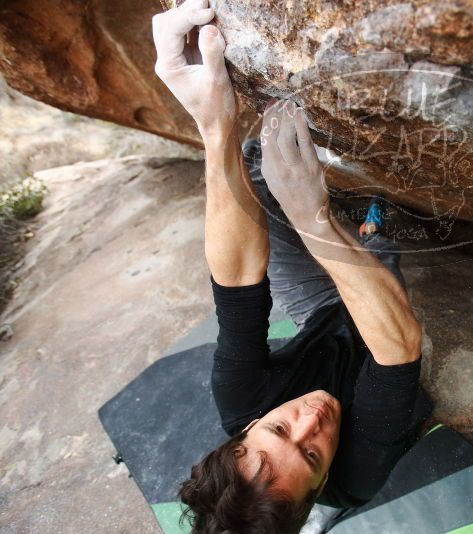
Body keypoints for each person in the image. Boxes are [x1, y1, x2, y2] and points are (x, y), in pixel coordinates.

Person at [152, 1, 432, 532]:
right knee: (380, 229)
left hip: (320, 313)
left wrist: (215, 121)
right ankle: (368, 215)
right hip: (380, 335)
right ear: (324, 484)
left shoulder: (239, 402)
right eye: (311, 456)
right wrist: (314, 218)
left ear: (249, 427)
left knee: (254, 167)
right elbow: (398, 350)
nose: (312, 420)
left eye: (279, 430)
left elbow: (236, 281)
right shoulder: (360, 472)